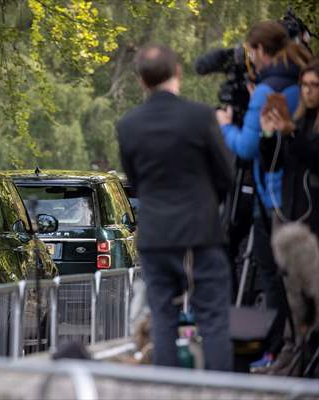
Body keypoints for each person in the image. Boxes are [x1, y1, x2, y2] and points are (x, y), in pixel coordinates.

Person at [116, 44, 234, 371]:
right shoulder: (200, 116)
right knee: (212, 317)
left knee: (163, 317)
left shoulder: (128, 125)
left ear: (141, 81)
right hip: (199, 233)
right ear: (177, 73)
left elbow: (136, 183)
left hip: (155, 235)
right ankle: (220, 392)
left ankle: (166, 389)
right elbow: (226, 174)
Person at [216, 21, 312, 368]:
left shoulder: (267, 90)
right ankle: (291, 345)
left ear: (258, 51)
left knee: (273, 273)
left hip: (273, 195)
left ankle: (276, 348)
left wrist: (226, 125)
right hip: (297, 192)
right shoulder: (298, 77)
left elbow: (246, 146)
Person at [261, 59, 319, 235]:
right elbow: (273, 164)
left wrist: (293, 135)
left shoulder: (296, 128)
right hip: (292, 216)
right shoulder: (298, 121)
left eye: (314, 85)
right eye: (304, 85)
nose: (307, 91)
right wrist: (268, 134)